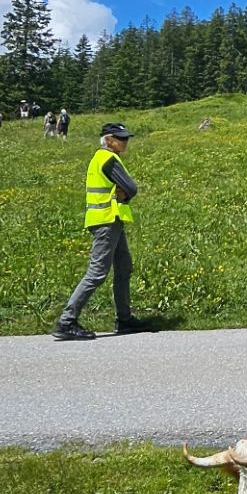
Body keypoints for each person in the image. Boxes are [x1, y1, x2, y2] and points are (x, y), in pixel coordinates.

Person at [53, 123, 155, 340]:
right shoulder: (108, 159)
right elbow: (132, 187)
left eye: (126, 138)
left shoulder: (101, 158)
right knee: (97, 273)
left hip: (111, 220)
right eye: (121, 138)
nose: (125, 142)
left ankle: (124, 319)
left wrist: (123, 195)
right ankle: (67, 321)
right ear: (108, 140)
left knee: (124, 267)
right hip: (106, 221)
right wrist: (126, 195)